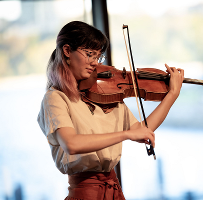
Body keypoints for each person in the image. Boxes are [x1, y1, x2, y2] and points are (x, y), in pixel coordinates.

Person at [37, 21, 184, 200]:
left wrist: (172, 95)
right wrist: (125, 135)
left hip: (113, 189)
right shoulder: (55, 98)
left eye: (98, 57)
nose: (95, 64)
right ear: (67, 51)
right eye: (89, 54)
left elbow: (140, 130)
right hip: (84, 193)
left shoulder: (107, 95)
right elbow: (71, 144)